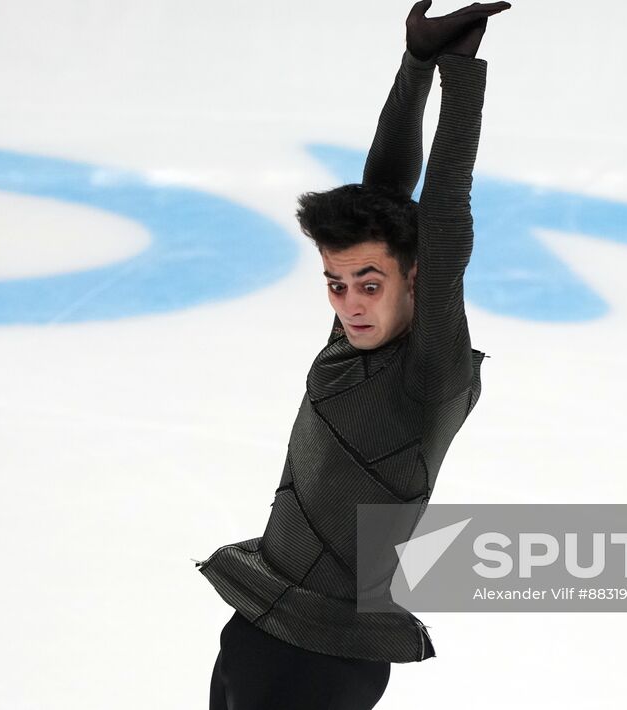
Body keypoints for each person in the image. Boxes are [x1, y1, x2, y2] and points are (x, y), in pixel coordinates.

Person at [196, 2, 509, 707]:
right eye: (335, 284)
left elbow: (445, 212)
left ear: (416, 277)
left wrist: (460, 73)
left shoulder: (429, 372)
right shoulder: (353, 331)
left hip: (326, 656)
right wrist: (415, 64)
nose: (349, 303)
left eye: (369, 284)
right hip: (255, 623)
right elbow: (385, 189)